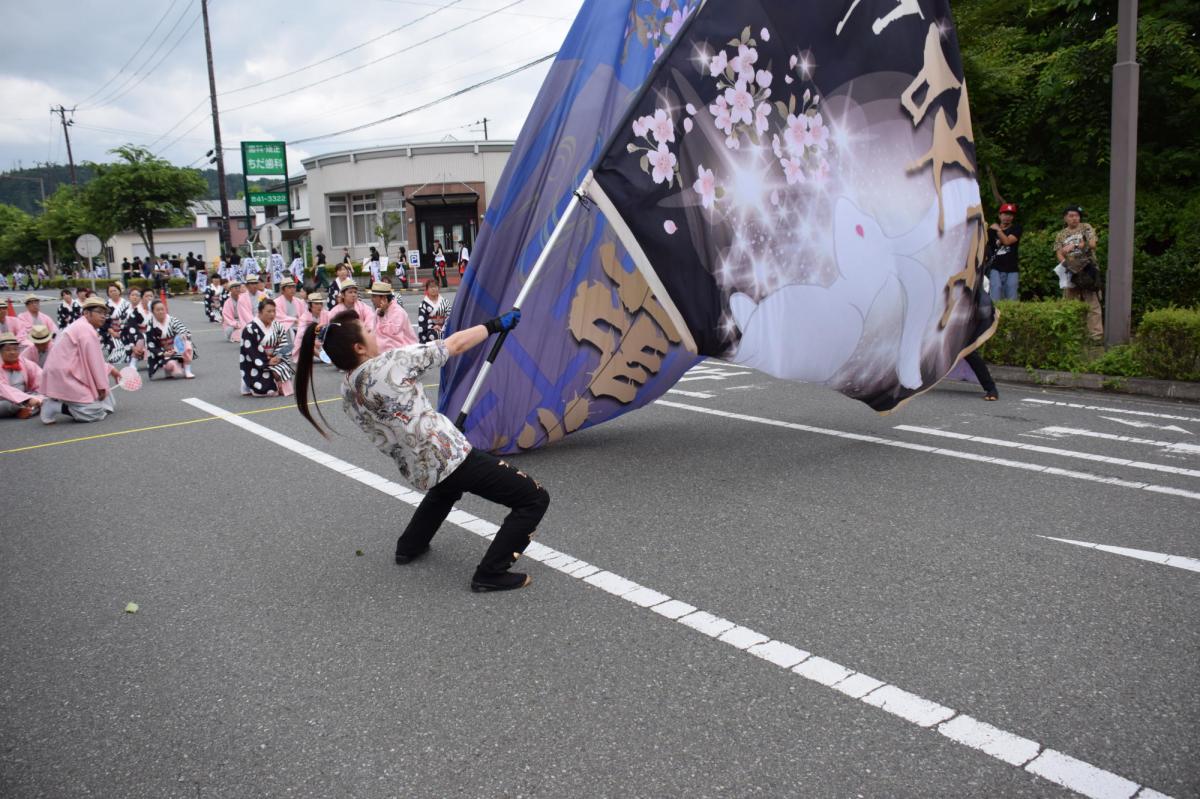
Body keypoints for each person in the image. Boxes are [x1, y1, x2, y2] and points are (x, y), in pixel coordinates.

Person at [294, 306, 544, 592]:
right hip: (449, 457)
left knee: (445, 488)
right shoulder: (391, 363)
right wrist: (493, 325)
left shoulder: (347, 391)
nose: (374, 333)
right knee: (533, 498)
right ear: (359, 347)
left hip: (418, 466)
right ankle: (491, 572)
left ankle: (409, 546)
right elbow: (453, 345)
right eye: (368, 331)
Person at [40, 296, 122, 424]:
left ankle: (62, 400)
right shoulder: (86, 330)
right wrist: (101, 387)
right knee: (94, 412)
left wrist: (111, 370)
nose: (103, 316)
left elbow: (93, 360)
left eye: (104, 313)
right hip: (65, 374)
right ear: (86, 313)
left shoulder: (82, 326)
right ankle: (54, 406)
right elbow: (94, 362)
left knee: (106, 400)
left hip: (64, 370)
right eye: (99, 312)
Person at [1055, 205, 1103, 342]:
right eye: (1071, 216)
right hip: (1071, 271)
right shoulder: (1061, 234)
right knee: (1070, 304)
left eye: (1077, 215)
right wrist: (1066, 264)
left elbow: (1093, 244)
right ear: (1065, 218)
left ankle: (1096, 337)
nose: (1075, 218)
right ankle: (1073, 335)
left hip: (1088, 269)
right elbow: (1059, 253)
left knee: (1092, 303)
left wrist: (1076, 246)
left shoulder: (1086, 227)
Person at [240, 298, 295, 397]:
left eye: (274, 311)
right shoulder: (250, 329)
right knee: (267, 388)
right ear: (260, 312)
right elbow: (252, 351)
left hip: (275, 359)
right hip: (256, 364)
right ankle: (258, 384)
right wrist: (267, 361)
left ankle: (277, 384)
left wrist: (278, 357)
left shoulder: (278, 326)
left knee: (282, 370)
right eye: (269, 311)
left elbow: (282, 345)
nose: (272, 314)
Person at [145, 299, 196, 380]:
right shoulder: (150, 326)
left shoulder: (172, 320)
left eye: (162, 309)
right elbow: (150, 345)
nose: (161, 312)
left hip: (176, 347)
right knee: (170, 365)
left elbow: (183, 329)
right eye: (158, 310)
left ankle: (187, 370)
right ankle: (168, 369)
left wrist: (183, 335)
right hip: (162, 351)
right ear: (153, 311)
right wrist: (163, 353)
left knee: (186, 343)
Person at [0, 331, 44, 420]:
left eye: (15, 349)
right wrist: (27, 399)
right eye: (8, 350)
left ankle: (27, 409)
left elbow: (40, 376)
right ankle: (28, 408)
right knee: (9, 405)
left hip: (25, 395)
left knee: (46, 397)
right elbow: (3, 389)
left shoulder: (24, 362)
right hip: (5, 399)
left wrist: (38, 397)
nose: (12, 352)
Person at [986, 204, 1021, 302]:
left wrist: (998, 230)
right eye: (1005, 214)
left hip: (1012, 268)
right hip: (995, 267)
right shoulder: (991, 231)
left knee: (1012, 298)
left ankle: (1010, 316)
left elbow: (1007, 242)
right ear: (999, 215)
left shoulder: (1016, 228)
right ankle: (994, 317)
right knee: (995, 295)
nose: (1007, 217)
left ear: (1013, 217)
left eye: (1010, 215)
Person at [368, 281, 418, 351]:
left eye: (374, 296)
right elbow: (375, 332)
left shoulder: (398, 312)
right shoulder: (378, 311)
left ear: (384, 298)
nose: (371, 299)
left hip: (403, 351)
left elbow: (390, 334)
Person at [296, 291, 329, 357]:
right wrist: (313, 340)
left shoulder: (326, 314)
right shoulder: (304, 317)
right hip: (310, 342)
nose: (319, 306)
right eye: (316, 304)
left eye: (320, 303)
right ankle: (322, 356)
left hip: (323, 341)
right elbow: (301, 334)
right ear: (310, 305)